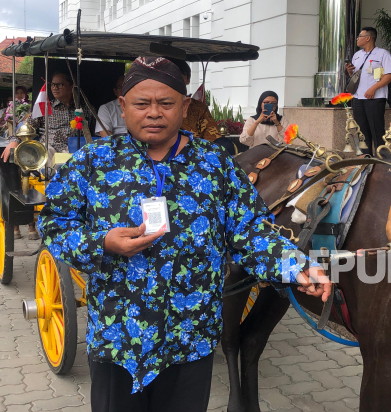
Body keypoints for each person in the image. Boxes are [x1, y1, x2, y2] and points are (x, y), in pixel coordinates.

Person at [36, 56, 330, 411]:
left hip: (190, 339)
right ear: (124, 105)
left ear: (185, 106)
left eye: (166, 103)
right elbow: (54, 223)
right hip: (119, 340)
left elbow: (249, 230)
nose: (154, 113)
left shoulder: (216, 164)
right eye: (142, 103)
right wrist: (102, 243)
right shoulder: (94, 161)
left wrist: (294, 265)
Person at [2, 73, 78, 240]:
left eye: (60, 85)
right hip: (47, 150)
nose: (55, 88)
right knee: (45, 152)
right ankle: (49, 196)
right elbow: (26, 126)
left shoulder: (83, 109)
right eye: (53, 85)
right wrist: (13, 141)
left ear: (71, 86)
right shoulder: (45, 107)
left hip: (73, 151)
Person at [345, 27, 391, 155]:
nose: (357, 39)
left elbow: (390, 74)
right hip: (358, 98)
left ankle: (381, 159)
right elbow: (356, 76)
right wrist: (350, 71)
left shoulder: (382, 54)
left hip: (375, 98)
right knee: (362, 132)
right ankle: (365, 159)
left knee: (377, 130)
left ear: (368, 38)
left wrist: (373, 88)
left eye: (359, 36)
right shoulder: (357, 55)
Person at [168, 58, 221, 142]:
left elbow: (213, 140)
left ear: (188, 80)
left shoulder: (199, 109)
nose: (173, 83)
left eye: (178, 78)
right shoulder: (149, 107)